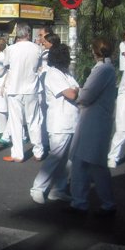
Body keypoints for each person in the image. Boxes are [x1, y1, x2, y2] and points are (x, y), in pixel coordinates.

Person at [67, 38, 117, 216]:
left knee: (95, 163)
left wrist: (78, 91)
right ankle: (79, 201)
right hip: (92, 119)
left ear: (95, 52)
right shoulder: (105, 69)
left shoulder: (102, 70)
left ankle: (106, 203)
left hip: (95, 120)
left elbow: (87, 96)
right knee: (83, 160)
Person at [29, 44, 79, 204]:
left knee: (68, 159)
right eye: (67, 55)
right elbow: (72, 93)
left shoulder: (66, 73)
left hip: (71, 120)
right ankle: (38, 188)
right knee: (55, 158)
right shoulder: (53, 74)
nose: (69, 58)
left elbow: (76, 88)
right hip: (59, 122)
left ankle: (58, 189)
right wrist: (75, 90)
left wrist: (75, 89)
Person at [2, 23, 44, 163]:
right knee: (34, 120)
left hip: (14, 88)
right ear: (28, 33)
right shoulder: (37, 48)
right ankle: (38, 151)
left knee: (16, 122)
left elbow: (6, 65)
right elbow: (38, 66)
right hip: (31, 88)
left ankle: (18, 154)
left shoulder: (11, 49)